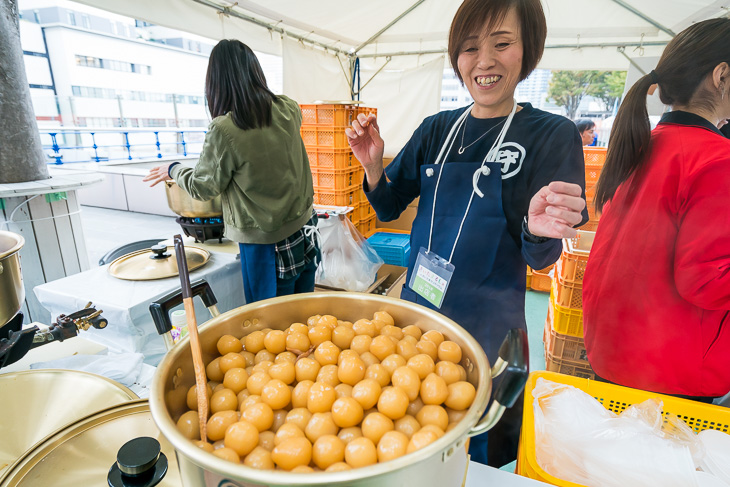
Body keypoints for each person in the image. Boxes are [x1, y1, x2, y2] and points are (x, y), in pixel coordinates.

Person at [346, 0, 587, 466]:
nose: (485, 61)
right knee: (407, 436)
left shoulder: (549, 135)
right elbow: (390, 204)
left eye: (503, 43)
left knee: (477, 454)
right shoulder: (438, 128)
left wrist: (538, 231)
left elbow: (542, 260)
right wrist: (373, 167)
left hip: (489, 327)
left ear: (528, 49)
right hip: (419, 316)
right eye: (470, 48)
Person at [583, 18, 730, 402]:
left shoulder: (645, 143)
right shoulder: (717, 159)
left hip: (614, 352)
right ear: (722, 75)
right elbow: (704, 281)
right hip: (669, 374)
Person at [144, 40, 319, 303]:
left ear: (215, 82)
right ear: (256, 72)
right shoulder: (288, 108)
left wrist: (173, 169)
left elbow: (203, 187)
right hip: (305, 226)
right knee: (303, 311)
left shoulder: (225, 128)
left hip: (266, 241)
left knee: (269, 321)